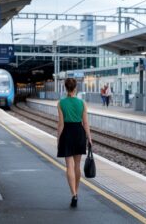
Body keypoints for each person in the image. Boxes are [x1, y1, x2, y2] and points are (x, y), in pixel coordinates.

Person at [57, 78, 92, 208]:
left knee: (69, 166)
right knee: (77, 165)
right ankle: (76, 191)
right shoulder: (82, 103)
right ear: (75, 88)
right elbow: (86, 123)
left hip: (67, 133)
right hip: (79, 133)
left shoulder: (61, 103)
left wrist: (58, 138)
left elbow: (60, 124)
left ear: (65, 88)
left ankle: (73, 194)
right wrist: (89, 137)